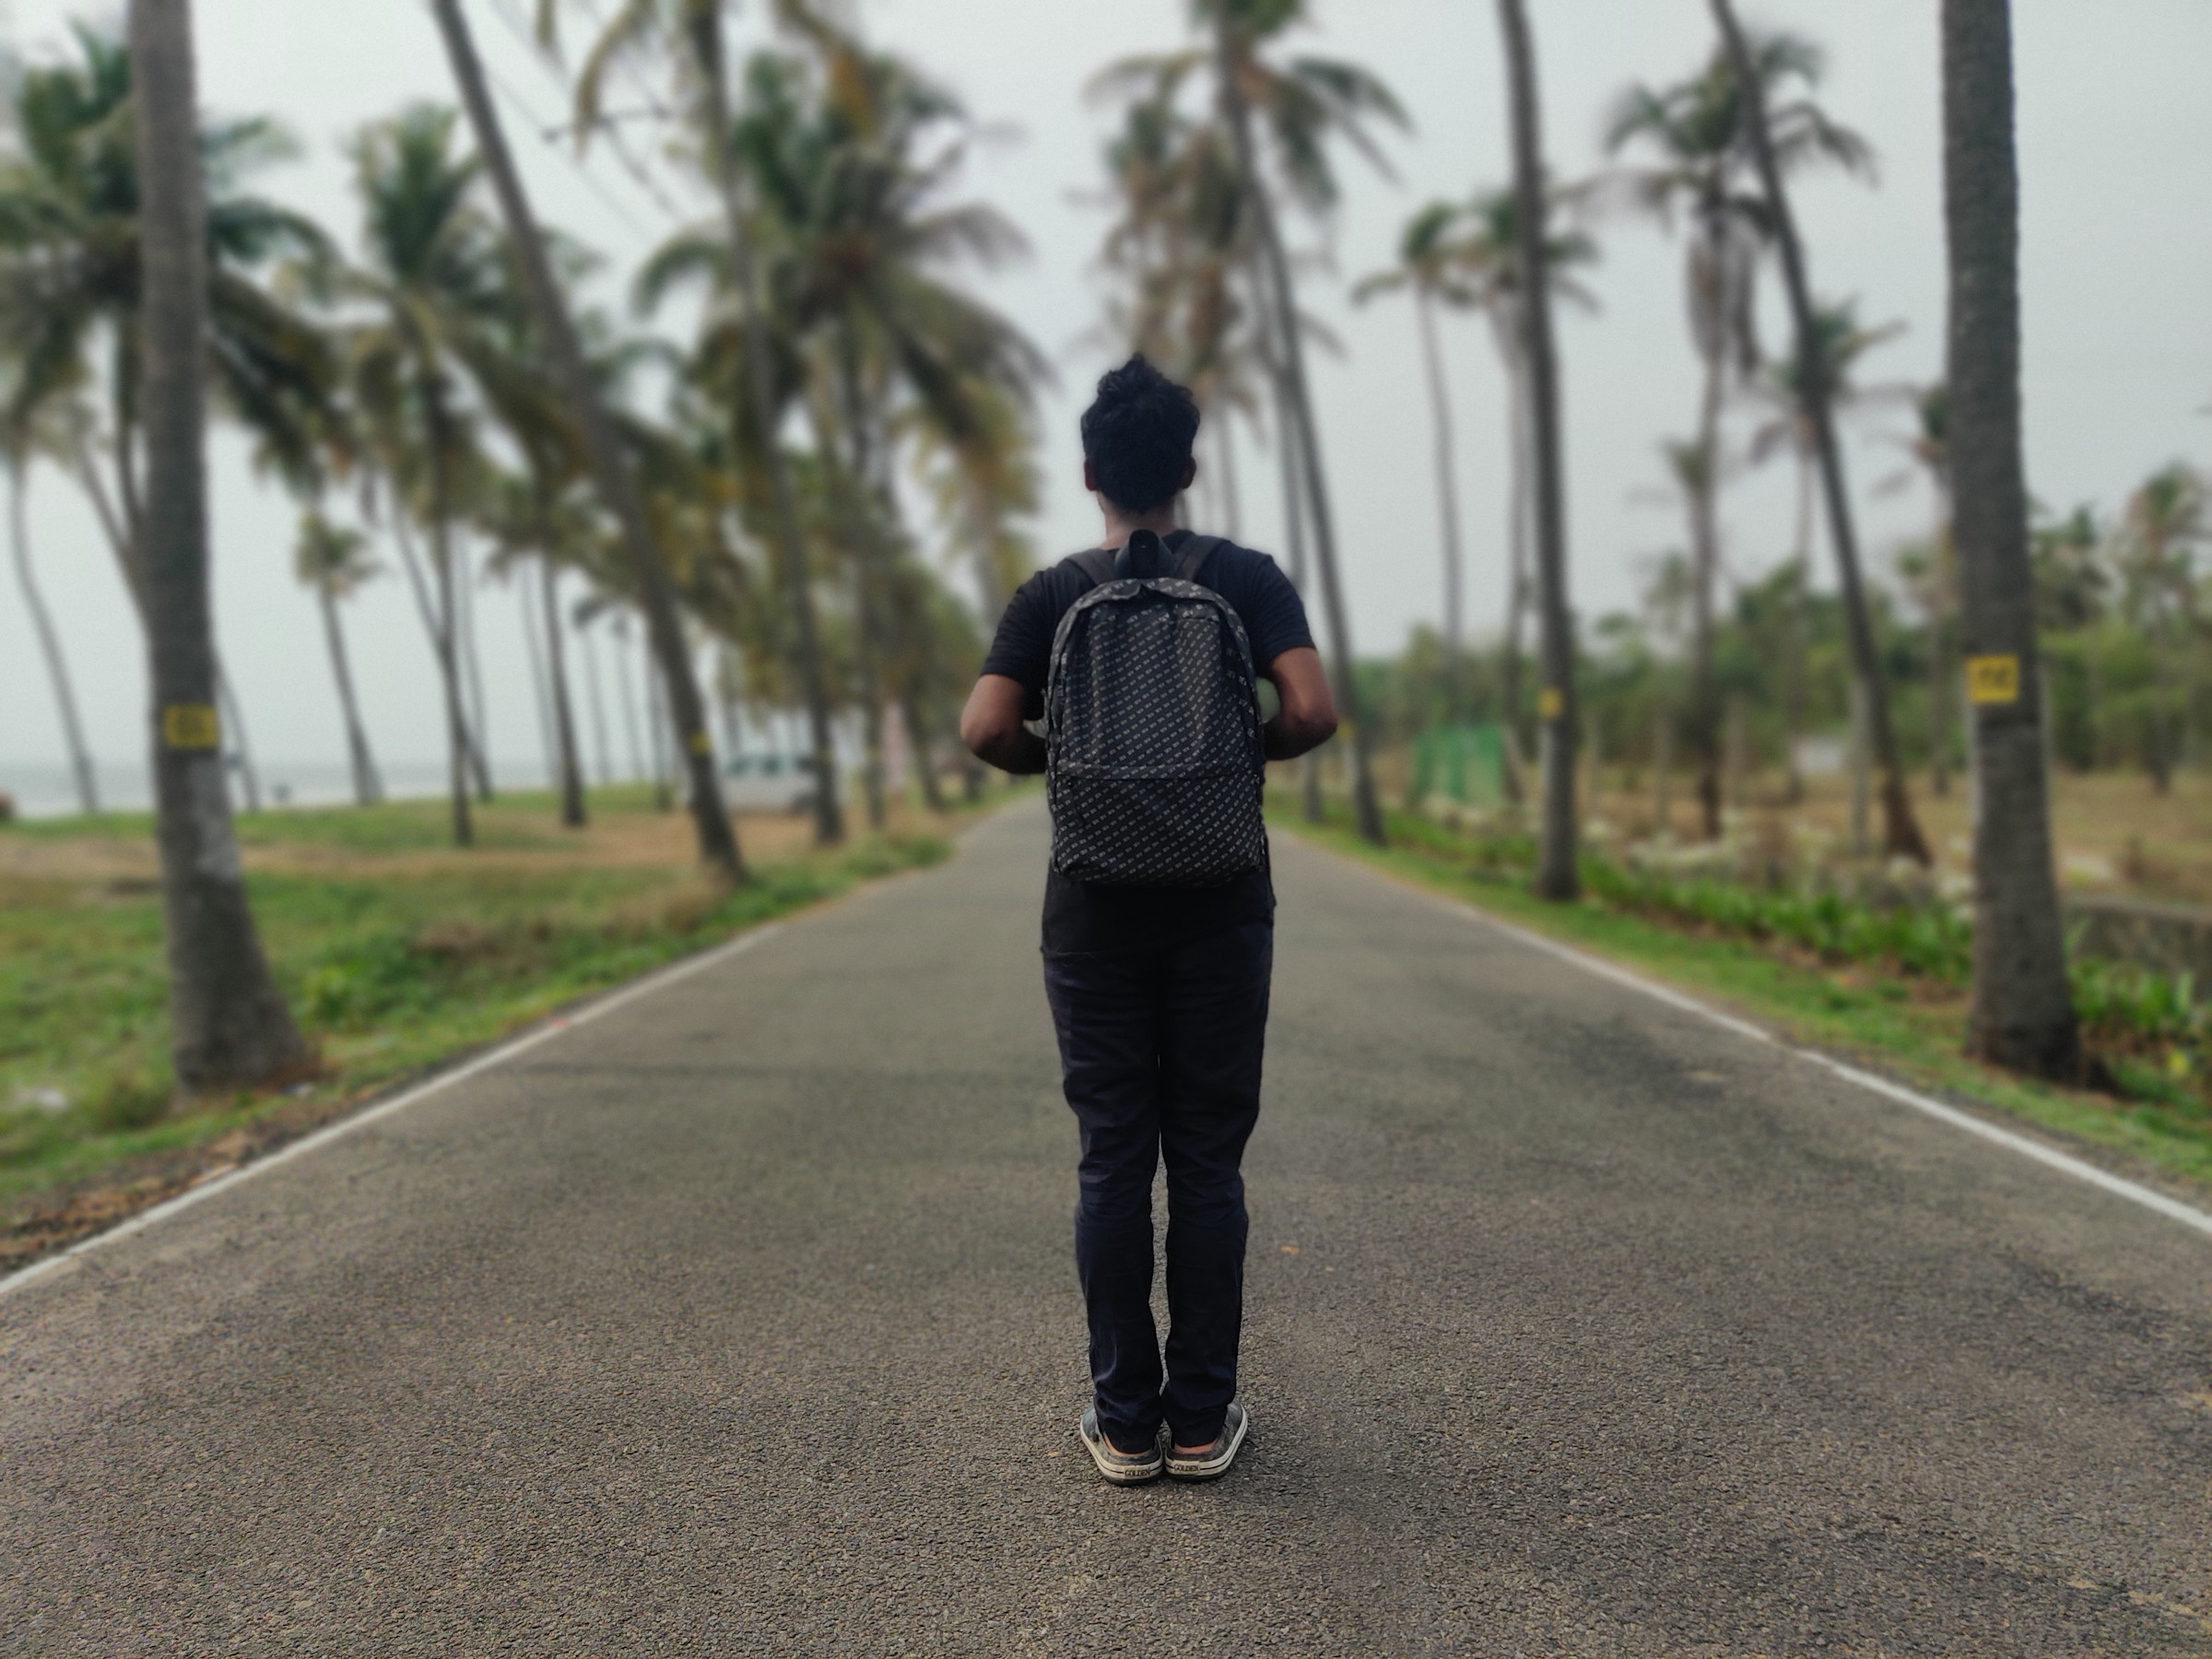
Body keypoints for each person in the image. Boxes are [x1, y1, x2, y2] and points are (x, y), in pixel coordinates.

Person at [960, 357, 1338, 1484]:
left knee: (1113, 1159)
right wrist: (1232, 757)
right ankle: (1199, 1421)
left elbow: (983, 729)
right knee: (1209, 1162)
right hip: (1223, 899)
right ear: (1184, 468)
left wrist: (1067, 767)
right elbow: (1311, 708)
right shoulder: (1248, 578)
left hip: (1093, 906)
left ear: (1090, 476)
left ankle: (1125, 1423)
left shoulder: (1052, 594)